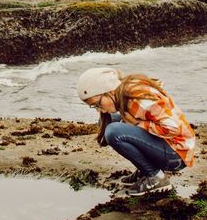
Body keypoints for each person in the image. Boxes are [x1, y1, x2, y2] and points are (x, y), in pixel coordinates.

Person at [76, 67, 195, 196]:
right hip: (167, 147)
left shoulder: (139, 98)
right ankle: (146, 170)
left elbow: (173, 128)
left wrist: (137, 124)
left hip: (177, 155)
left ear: (109, 92)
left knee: (113, 131)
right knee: (110, 121)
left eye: (97, 104)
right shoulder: (124, 94)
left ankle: (156, 178)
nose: (99, 110)